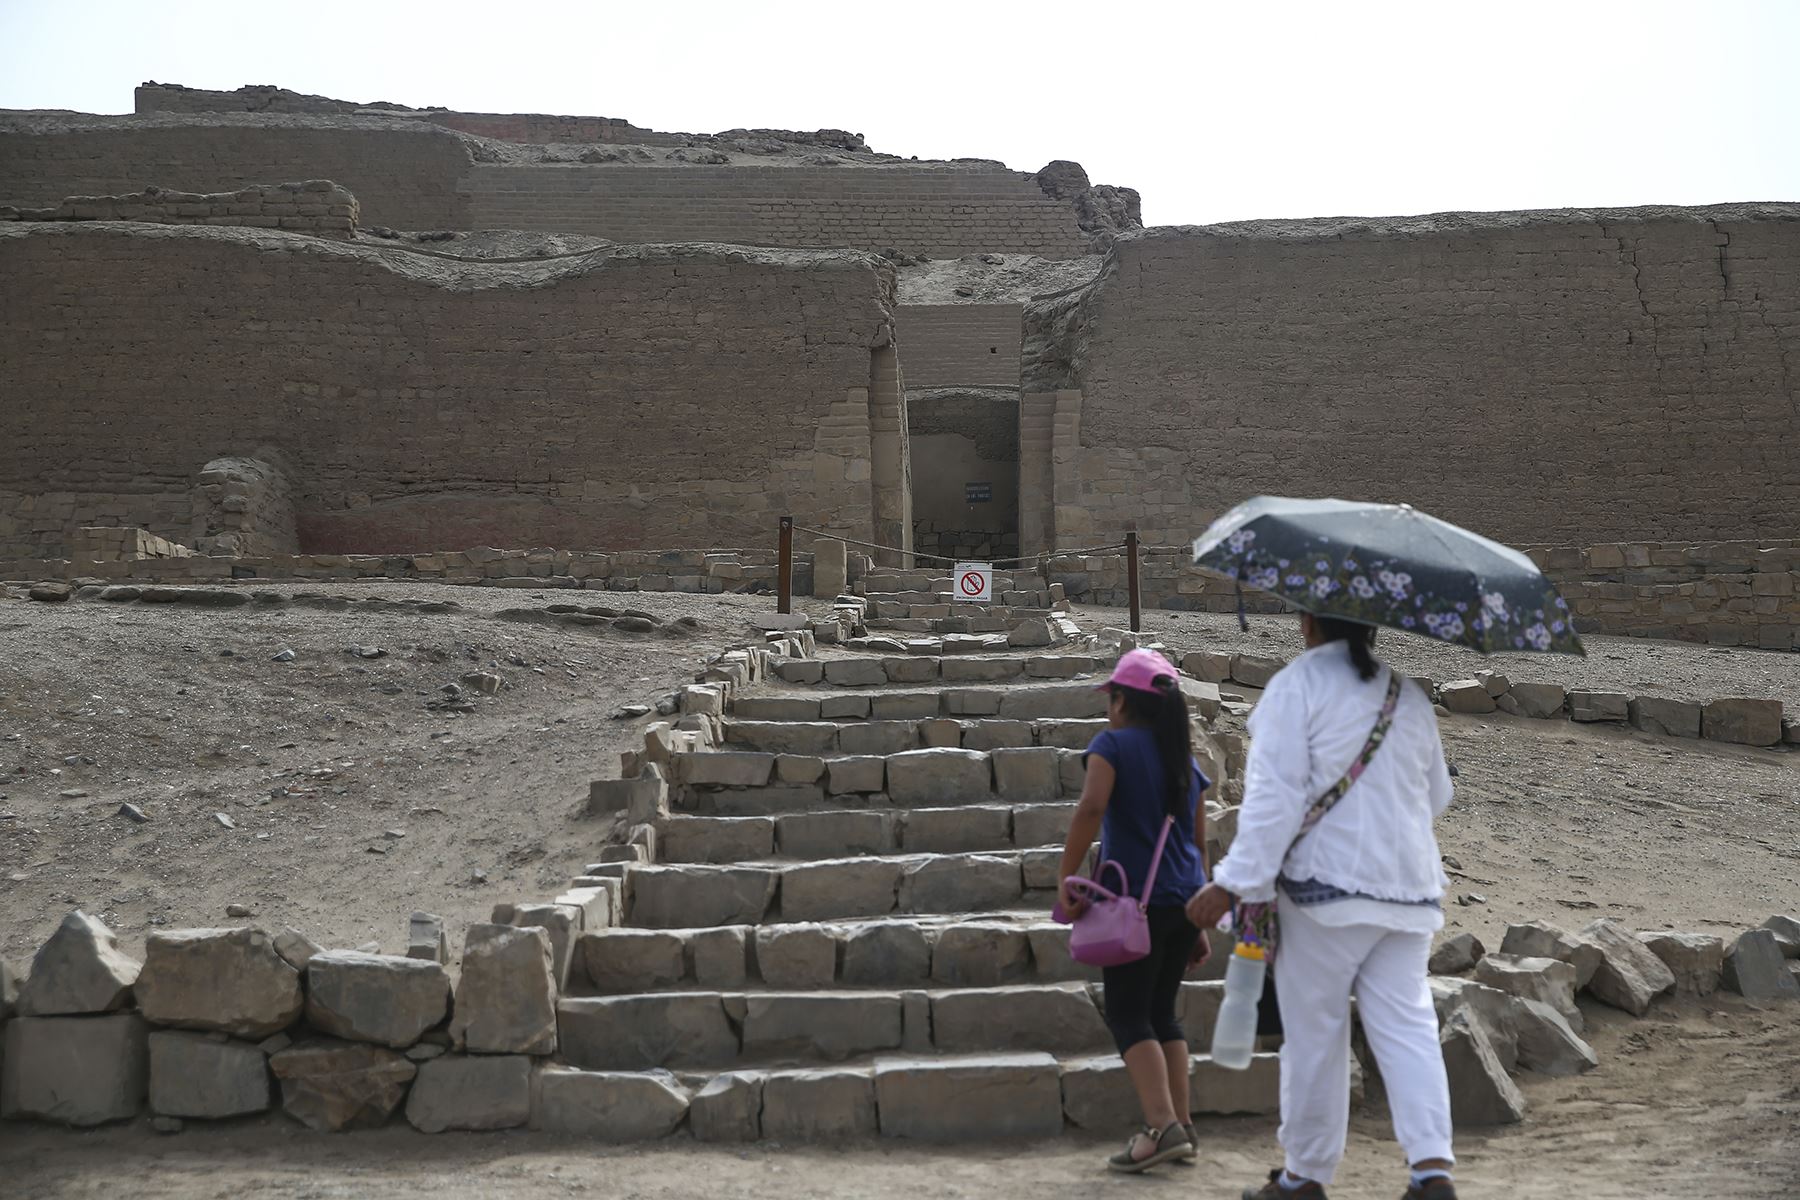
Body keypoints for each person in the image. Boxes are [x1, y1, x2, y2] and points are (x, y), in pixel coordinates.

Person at [1187, 614, 1458, 1200]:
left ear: (1308, 623)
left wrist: (1231, 881)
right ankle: (1432, 1171)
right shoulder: (1405, 694)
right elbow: (1437, 796)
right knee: (1409, 1029)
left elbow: (1274, 801)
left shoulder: (1296, 686)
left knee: (1315, 1039)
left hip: (1324, 894)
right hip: (1408, 892)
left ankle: (1304, 1176)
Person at [1057, 648, 1212, 1173]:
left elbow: (1092, 807)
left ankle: (1161, 1126)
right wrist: (1202, 916)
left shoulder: (1112, 746)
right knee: (1162, 1012)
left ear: (1122, 701)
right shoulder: (1185, 763)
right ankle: (1182, 1125)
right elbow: (1198, 842)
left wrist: (1066, 877)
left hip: (1136, 906)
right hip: (1185, 900)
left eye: (1112, 698)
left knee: (1127, 1013)